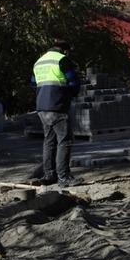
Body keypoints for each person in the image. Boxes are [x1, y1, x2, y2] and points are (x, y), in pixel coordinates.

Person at [32, 40, 83, 187]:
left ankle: (49, 175)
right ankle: (64, 177)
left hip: (42, 107)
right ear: (65, 50)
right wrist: (71, 93)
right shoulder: (62, 60)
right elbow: (73, 82)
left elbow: (33, 83)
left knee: (49, 141)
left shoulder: (39, 62)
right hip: (57, 105)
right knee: (64, 140)